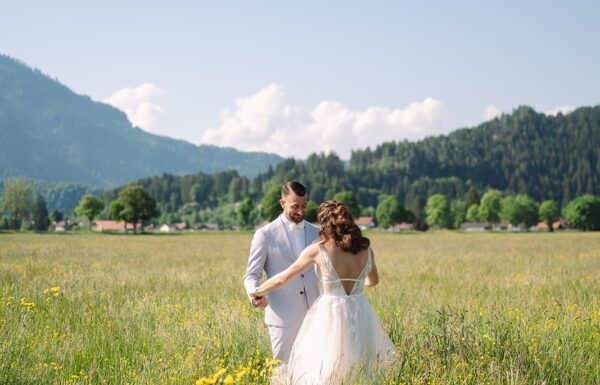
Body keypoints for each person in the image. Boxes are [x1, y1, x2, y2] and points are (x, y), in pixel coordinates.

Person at [251, 200, 396, 385]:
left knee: (326, 368)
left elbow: (283, 278)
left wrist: (258, 290)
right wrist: (356, 285)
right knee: (363, 366)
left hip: (330, 314)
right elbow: (374, 281)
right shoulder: (366, 249)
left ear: (324, 223)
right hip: (360, 311)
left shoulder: (317, 250)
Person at [243, 181, 320, 364]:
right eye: (295, 207)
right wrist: (255, 295)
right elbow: (251, 275)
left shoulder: (317, 232)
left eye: (304, 206)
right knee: (282, 371)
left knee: (313, 370)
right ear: (282, 203)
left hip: (315, 315)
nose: (301, 212)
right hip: (282, 318)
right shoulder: (265, 235)